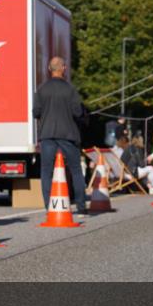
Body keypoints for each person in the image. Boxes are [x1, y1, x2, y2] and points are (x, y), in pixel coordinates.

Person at [34, 56, 89, 215]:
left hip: (47, 134)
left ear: (49, 69)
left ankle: (49, 206)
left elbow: (36, 112)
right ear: (63, 68)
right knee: (76, 169)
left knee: (46, 171)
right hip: (68, 134)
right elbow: (77, 112)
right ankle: (81, 206)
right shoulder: (70, 89)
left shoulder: (42, 89)